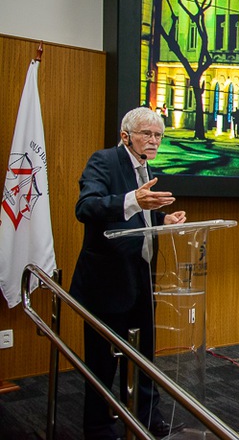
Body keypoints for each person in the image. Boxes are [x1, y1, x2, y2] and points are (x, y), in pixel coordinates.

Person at [69, 107, 186, 440]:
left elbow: (139, 219)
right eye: (146, 134)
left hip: (142, 278)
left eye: (158, 135)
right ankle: (99, 427)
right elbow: (86, 207)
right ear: (125, 136)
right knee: (102, 361)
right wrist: (133, 199)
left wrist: (163, 220)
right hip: (107, 281)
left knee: (143, 354)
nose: (154, 141)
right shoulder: (103, 161)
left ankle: (145, 415)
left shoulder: (148, 168)